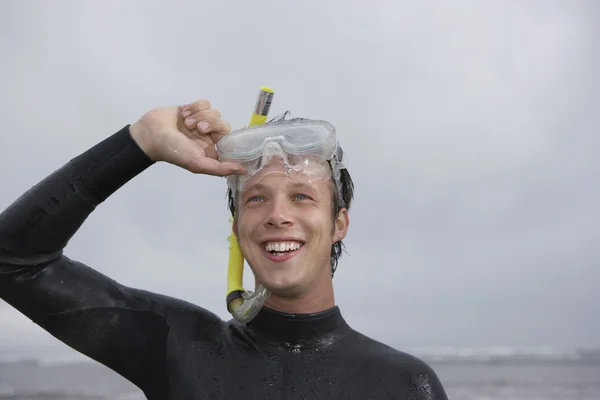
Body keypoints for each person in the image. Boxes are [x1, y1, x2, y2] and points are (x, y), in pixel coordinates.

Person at [0, 99, 448, 399]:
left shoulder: (404, 385)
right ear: (237, 228)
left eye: (302, 196)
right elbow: (13, 261)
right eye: (256, 198)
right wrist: (142, 140)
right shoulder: (180, 346)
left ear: (339, 225)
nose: (277, 215)